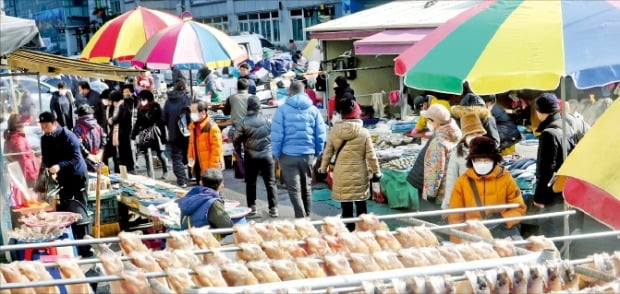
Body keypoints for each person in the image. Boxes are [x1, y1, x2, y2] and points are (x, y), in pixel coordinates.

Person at [318, 94, 381, 231]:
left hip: (341, 174)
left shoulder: (334, 131)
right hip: (360, 174)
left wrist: (323, 169)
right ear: (356, 113)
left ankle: (348, 232)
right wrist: (377, 172)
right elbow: (371, 156)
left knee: (346, 208)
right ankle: (363, 234)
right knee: (361, 207)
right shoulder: (364, 133)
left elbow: (327, 153)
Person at [448, 136, 527, 240]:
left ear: (493, 160)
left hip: (502, 233)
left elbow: (519, 208)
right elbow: (455, 217)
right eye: (478, 160)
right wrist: (458, 243)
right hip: (473, 235)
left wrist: (504, 219)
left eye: (486, 160)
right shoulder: (462, 182)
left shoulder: (506, 178)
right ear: (472, 161)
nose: (482, 163)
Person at [39, 111, 91, 257]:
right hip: (62, 177)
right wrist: (45, 170)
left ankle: (85, 246)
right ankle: (72, 243)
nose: (44, 128)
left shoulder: (68, 136)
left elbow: (76, 158)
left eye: (46, 125)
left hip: (77, 175)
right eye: (42, 125)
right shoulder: (45, 138)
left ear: (55, 123)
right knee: (67, 209)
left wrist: (60, 165)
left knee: (80, 209)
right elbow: (46, 158)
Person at [271, 81, 326, 218]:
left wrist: (276, 154)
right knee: (306, 187)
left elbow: (277, 134)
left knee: (294, 190)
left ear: (290, 92)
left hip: (287, 155)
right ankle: (307, 217)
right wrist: (317, 152)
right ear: (305, 91)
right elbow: (320, 134)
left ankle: (302, 219)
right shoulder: (313, 110)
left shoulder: (282, 110)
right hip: (308, 154)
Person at [533, 93, 575, 237]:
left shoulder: (548, 133)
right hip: (566, 189)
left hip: (552, 194)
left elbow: (546, 169)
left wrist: (539, 197)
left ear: (539, 112)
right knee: (562, 232)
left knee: (549, 237)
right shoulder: (566, 127)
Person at [233, 96, 279, 217]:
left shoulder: (243, 122)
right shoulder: (268, 120)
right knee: (270, 183)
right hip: (267, 155)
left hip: (250, 156)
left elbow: (235, 138)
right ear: (259, 106)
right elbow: (275, 136)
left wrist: (239, 151)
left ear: (247, 107)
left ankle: (252, 208)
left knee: (251, 182)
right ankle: (273, 208)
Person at [420, 104, 461, 215]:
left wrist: (430, 194)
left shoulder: (438, 142)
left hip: (439, 195)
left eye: (429, 120)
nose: (428, 123)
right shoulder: (456, 133)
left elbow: (436, 170)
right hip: (452, 190)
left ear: (435, 122)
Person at [443, 113, 487, 209]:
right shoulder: (457, 155)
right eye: (471, 134)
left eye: (478, 133)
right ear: (465, 137)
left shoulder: (490, 152)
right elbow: (451, 182)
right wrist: (447, 206)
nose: (475, 137)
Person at [132, 90, 168, 179]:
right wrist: (133, 134)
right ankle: (150, 175)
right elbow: (138, 123)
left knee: (160, 153)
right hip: (144, 133)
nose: (141, 101)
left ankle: (165, 170)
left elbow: (161, 123)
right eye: (141, 99)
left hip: (155, 131)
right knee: (146, 154)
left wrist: (163, 136)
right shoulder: (140, 109)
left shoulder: (156, 107)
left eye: (143, 99)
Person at [163, 79, 192, 187]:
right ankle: (191, 175)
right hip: (187, 134)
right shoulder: (186, 99)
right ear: (184, 88)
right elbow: (191, 116)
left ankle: (182, 180)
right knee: (190, 155)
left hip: (173, 134)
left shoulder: (168, 101)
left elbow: (163, 118)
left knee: (176, 157)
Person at [187, 101, 223, 184]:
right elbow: (191, 144)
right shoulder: (194, 126)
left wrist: (211, 170)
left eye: (194, 112)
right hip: (198, 165)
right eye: (191, 112)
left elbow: (216, 150)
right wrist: (190, 158)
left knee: (212, 192)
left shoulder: (212, 127)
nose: (192, 114)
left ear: (203, 112)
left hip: (209, 168)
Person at [224, 78, 252, 178]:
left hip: (236, 127)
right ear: (247, 87)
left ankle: (240, 173)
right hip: (249, 127)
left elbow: (225, 112)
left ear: (237, 87)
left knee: (237, 150)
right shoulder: (252, 97)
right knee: (249, 150)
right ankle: (250, 172)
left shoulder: (231, 98)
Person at [3, 114, 39, 187]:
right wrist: (23, 180)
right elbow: (23, 160)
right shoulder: (19, 139)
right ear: (20, 126)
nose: (25, 126)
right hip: (28, 177)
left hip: (18, 176)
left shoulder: (8, 139)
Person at [108, 90, 136, 174]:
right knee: (123, 152)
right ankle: (125, 168)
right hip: (121, 133)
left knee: (125, 152)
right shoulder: (120, 106)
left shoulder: (122, 106)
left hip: (123, 133)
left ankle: (128, 169)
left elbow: (118, 118)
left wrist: (112, 120)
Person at [73, 104, 105, 172]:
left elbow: (78, 144)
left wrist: (88, 155)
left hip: (85, 161)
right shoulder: (97, 125)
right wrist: (101, 151)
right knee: (102, 179)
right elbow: (104, 138)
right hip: (98, 158)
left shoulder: (78, 127)